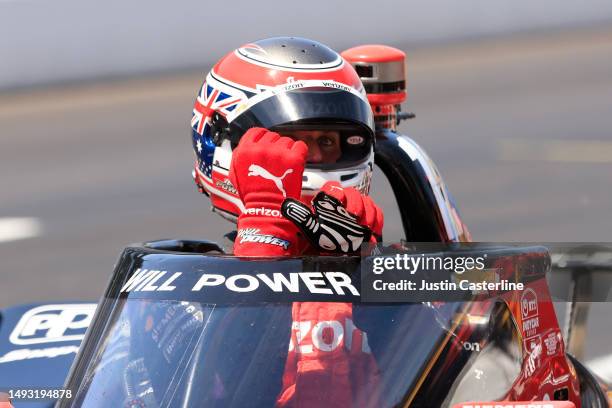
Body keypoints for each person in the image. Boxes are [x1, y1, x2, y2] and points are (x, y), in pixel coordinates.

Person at [190, 36, 384, 407]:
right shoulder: (186, 293)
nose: (308, 155)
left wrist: (374, 277)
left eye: (327, 141)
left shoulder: (385, 271)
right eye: (289, 141)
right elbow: (225, 395)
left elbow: (450, 372)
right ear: (222, 141)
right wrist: (264, 241)